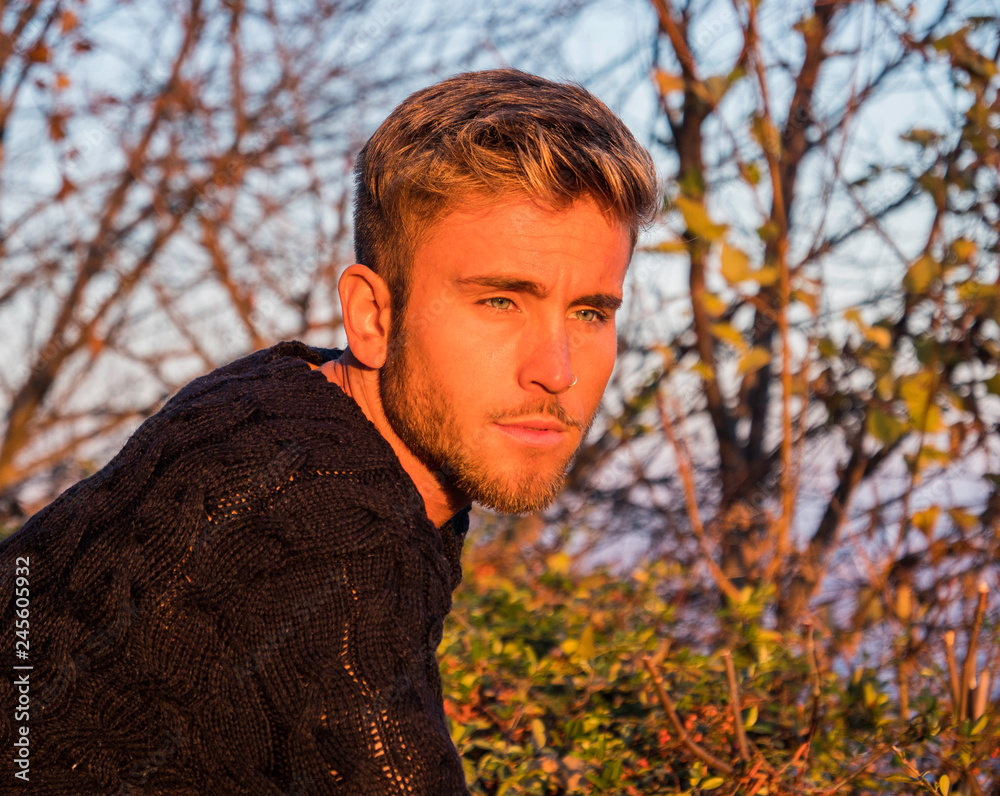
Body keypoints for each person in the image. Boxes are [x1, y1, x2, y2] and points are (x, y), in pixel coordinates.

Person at [0, 68, 657, 794]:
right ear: (372, 316)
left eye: (591, 313)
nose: (557, 370)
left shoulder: (271, 398)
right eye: (501, 301)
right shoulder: (332, 526)